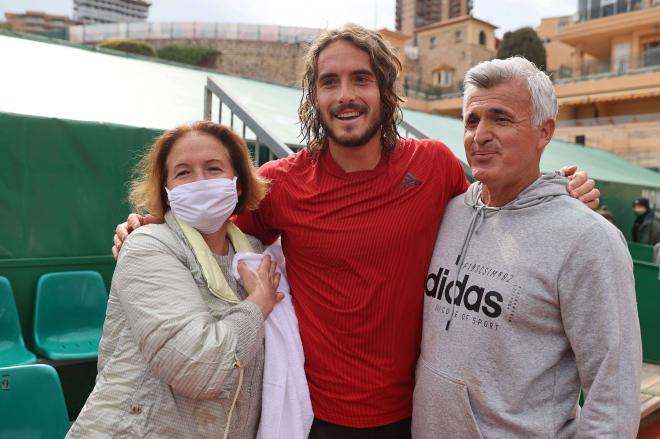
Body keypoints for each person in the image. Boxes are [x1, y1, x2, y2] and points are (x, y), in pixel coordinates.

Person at [113, 24, 600, 437]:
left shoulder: (433, 166)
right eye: (330, 82)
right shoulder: (279, 185)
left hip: (419, 416)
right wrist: (151, 227)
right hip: (314, 417)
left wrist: (564, 193)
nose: (345, 95)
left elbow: (495, 207)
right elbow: (209, 234)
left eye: (360, 79)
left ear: (385, 91)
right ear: (315, 97)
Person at [412, 57, 641, 438]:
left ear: (543, 131)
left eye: (501, 119)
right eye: (472, 120)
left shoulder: (588, 239)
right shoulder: (449, 212)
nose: (480, 135)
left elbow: (613, 394)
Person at [68, 121, 284, 439]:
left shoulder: (254, 254)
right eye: (183, 173)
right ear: (167, 191)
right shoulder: (147, 246)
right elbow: (198, 368)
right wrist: (256, 306)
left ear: (238, 184)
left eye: (213, 168)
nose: (199, 182)